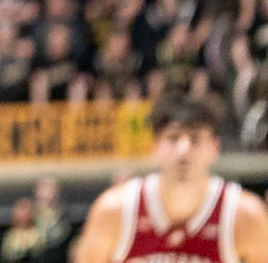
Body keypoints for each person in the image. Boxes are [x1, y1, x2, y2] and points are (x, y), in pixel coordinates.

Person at [71, 93, 268, 263]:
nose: (183, 150)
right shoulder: (114, 210)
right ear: (155, 146)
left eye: (195, 138)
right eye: (173, 137)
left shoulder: (244, 215)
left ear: (214, 148)